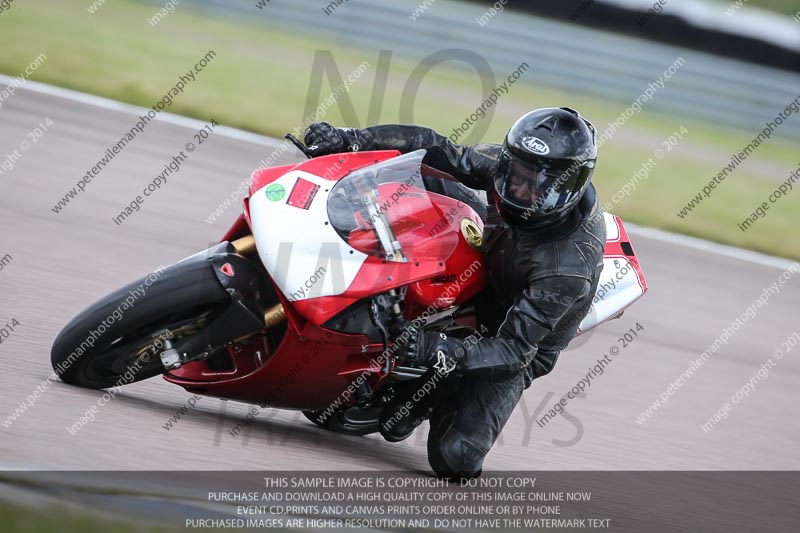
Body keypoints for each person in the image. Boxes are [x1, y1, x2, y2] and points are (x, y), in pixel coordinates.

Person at [303, 107, 606, 480]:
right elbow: (434, 147)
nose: (519, 190)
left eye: (536, 185)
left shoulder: (566, 269)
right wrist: (351, 139)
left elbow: (511, 352)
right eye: (516, 175)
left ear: (566, 188)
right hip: (491, 251)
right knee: (417, 172)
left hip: (511, 335)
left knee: (455, 457)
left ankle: (435, 391)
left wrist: (434, 350)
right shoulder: (508, 168)